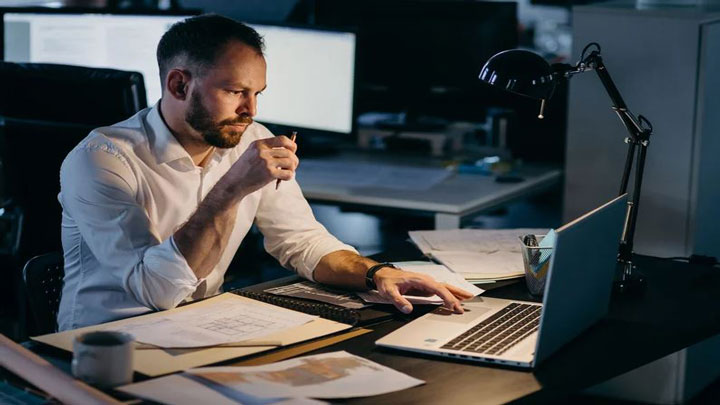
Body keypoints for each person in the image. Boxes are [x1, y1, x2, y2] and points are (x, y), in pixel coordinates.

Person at [57, 14, 471, 331]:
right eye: (235, 91)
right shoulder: (102, 159)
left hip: (197, 328)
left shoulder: (249, 135)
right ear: (179, 84)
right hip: (106, 341)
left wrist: (379, 274)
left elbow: (301, 241)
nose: (251, 111)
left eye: (257, 94)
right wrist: (232, 187)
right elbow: (157, 291)